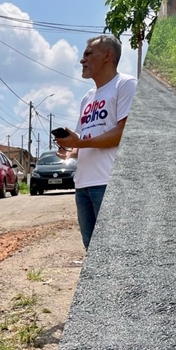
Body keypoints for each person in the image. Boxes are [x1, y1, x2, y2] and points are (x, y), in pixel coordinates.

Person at [56, 35, 137, 249]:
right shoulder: (87, 98)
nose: (82, 60)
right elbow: (83, 140)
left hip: (106, 182)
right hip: (83, 185)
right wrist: (70, 151)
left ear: (108, 56)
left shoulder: (125, 85)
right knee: (91, 248)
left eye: (88, 54)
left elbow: (122, 133)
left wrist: (80, 144)